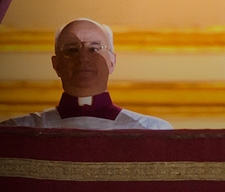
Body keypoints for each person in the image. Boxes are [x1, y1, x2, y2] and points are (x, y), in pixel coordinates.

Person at [1, 18, 172, 129]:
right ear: (56, 64)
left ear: (112, 61)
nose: (83, 58)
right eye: (72, 49)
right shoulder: (17, 132)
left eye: (94, 49)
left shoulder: (152, 131)